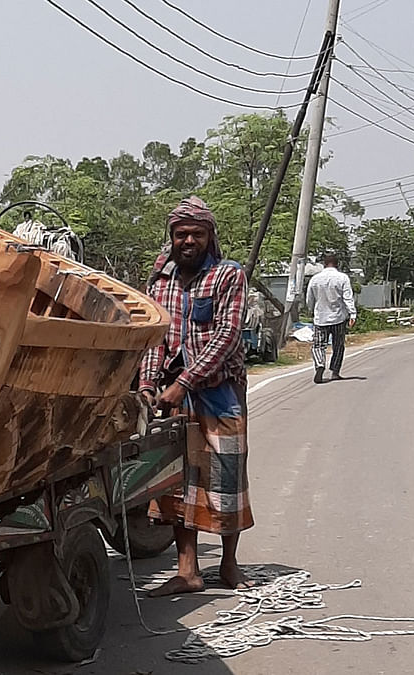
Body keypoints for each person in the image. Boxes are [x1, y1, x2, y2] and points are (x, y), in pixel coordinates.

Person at [138, 196, 254, 596]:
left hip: (218, 390)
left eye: (196, 233)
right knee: (176, 483)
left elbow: (226, 336)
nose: (188, 240)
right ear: (171, 237)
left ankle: (228, 563)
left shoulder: (227, 275)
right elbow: (155, 336)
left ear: (210, 236)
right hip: (172, 395)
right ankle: (187, 571)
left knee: (226, 476)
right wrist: (149, 386)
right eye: (181, 233)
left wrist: (184, 382)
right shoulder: (160, 279)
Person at [306, 252, 357, 384]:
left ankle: (319, 364)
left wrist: (312, 311)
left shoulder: (315, 279)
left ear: (324, 264)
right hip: (338, 318)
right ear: (337, 264)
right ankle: (335, 372)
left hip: (320, 319)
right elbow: (348, 297)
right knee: (338, 346)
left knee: (318, 345)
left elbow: (309, 299)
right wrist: (352, 314)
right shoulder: (342, 278)